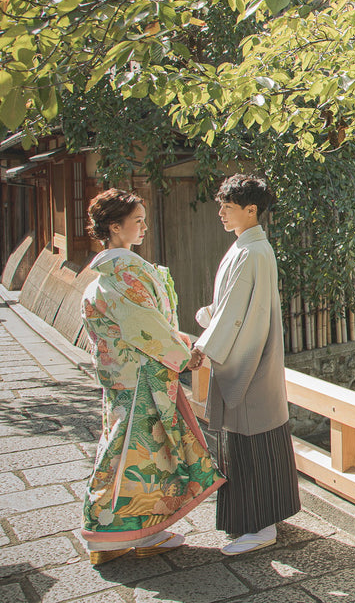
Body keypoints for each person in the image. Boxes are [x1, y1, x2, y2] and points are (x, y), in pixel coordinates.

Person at [80, 189, 223, 565]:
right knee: (134, 454)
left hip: (126, 376)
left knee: (139, 453)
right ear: (115, 227)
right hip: (142, 377)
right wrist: (185, 356)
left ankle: (143, 531)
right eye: (137, 220)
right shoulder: (123, 274)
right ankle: (108, 533)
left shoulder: (108, 276)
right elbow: (148, 328)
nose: (144, 227)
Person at [192, 174, 300, 555]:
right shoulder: (251, 248)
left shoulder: (252, 252)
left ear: (251, 210)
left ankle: (261, 526)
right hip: (251, 353)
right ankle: (259, 522)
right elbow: (233, 308)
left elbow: (237, 315)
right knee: (256, 442)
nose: (221, 213)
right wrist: (212, 317)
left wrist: (203, 347)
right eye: (221, 206)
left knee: (251, 443)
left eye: (228, 207)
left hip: (249, 360)